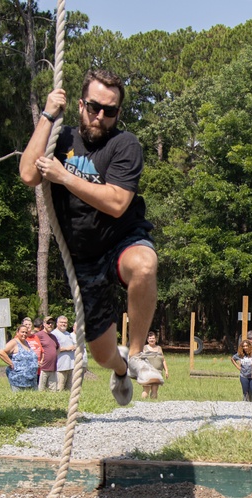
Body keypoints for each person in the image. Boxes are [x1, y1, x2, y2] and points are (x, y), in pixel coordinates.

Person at [20, 69, 163, 407]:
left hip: (120, 240)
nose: (100, 116)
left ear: (118, 114)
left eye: (110, 111)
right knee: (101, 354)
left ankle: (139, 353)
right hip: (83, 259)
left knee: (145, 265)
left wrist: (64, 177)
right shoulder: (61, 140)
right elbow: (28, 174)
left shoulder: (124, 145)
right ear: (81, 104)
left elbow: (116, 203)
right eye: (94, 107)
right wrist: (47, 115)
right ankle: (122, 367)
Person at [0, 325, 40, 391]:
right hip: (18, 381)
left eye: (26, 332)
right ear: (17, 333)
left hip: (31, 381)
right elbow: (1, 352)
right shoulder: (14, 342)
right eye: (22, 332)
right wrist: (11, 363)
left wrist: (35, 363)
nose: (24, 334)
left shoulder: (26, 342)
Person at [139, 331, 169, 399]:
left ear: (155, 339)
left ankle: (153, 405)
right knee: (146, 389)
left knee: (155, 389)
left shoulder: (159, 348)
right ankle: (142, 404)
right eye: (150, 338)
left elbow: (163, 360)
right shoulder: (144, 348)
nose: (151, 340)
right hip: (147, 372)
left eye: (153, 338)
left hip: (157, 372)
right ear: (147, 340)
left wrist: (166, 370)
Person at [51, 316, 77, 391]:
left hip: (70, 366)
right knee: (59, 388)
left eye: (65, 323)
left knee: (69, 389)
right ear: (57, 323)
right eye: (61, 322)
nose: (63, 324)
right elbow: (53, 349)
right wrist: (66, 348)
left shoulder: (68, 334)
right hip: (60, 367)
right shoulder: (54, 334)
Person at [36, 317, 61, 392]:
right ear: (44, 324)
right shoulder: (39, 335)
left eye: (52, 323)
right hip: (42, 369)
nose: (50, 325)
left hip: (53, 368)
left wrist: (54, 356)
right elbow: (33, 347)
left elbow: (58, 348)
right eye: (48, 323)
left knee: (53, 392)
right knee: (41, 391)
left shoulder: (53, 336)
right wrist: (37, 360)